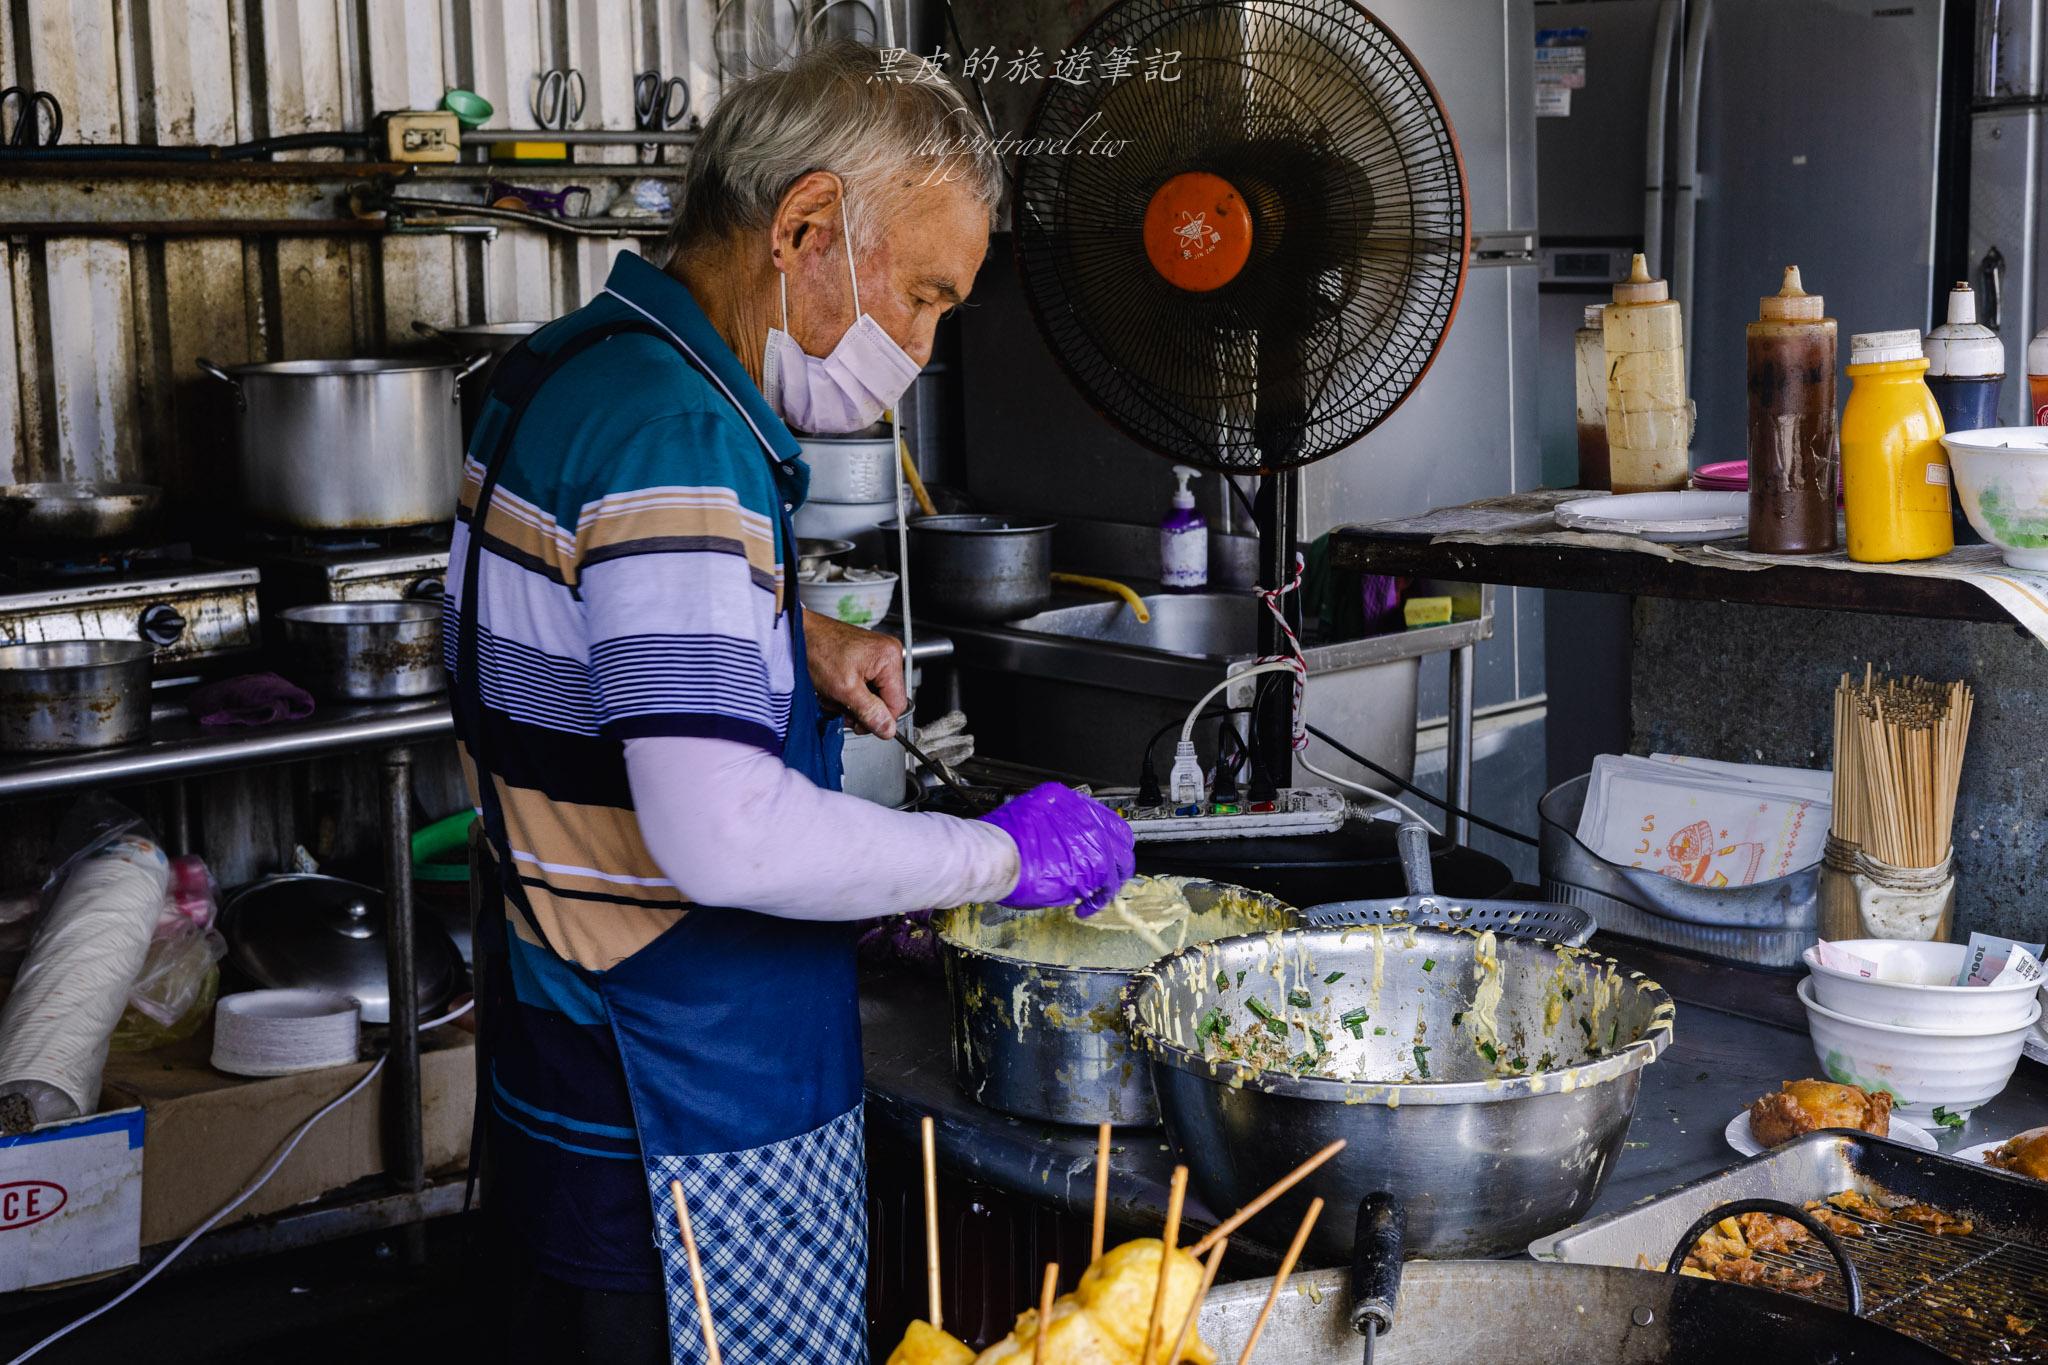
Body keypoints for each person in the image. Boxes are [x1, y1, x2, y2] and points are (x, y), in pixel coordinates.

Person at [444, 40, 1134, 1365]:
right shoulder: (679, 439)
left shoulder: (573, 367)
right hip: (674, 1131)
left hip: (563, 1064)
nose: (922, 350)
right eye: (923, 297)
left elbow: (544, 634)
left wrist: (781, 633)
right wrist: (999, 858)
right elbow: (726, 832)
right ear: (804, 227)